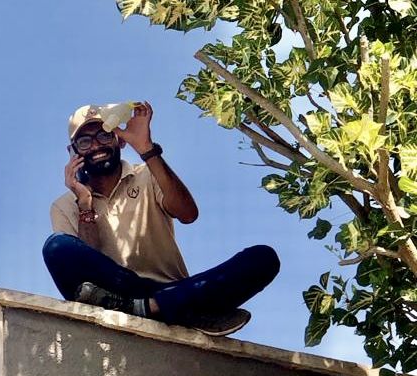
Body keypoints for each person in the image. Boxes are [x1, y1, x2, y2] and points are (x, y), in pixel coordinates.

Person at [43, 101, 280, 335]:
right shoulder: (64, 205)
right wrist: (85, 205)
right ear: (72, 152)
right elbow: (87, 266)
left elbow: (188, 214)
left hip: (173, 287)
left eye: (104, 135)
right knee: (56, 247)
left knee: (263, 258)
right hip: (114, 291)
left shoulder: (148, 173)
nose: (96, 146)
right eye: (85, 141)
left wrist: (147, 149)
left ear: (120, 140)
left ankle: (152, 307)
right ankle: (183, 310)